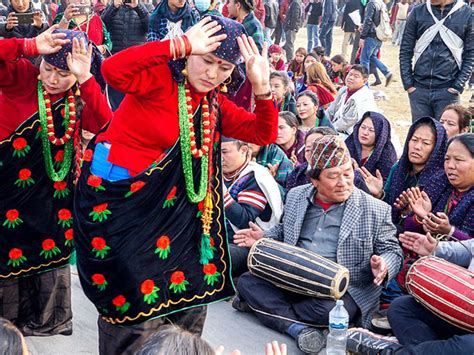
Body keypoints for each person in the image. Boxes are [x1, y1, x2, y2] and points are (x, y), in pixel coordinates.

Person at [73, 16, 278, 354]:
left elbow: (263, 134)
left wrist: (262, 87)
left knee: (186, 296)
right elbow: (112, 71)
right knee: (133, 301)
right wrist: (178, 44)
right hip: (128, 214)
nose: (212, 74)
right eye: (206, 60)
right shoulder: (157, 80)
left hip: (179, 224)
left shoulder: (214, 104)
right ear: (190, 54)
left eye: (224, 67)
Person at [233, 135, 403, 355]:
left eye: (347, 173)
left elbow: (392, 250)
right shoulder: (296, 196)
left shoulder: (375, 209)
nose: (343, 182)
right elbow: (285, 230)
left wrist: (384, 265)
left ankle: (269, 311)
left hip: (339, 290)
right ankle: (299, 329)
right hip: (291, 274)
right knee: (248, 282)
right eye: (333, 176)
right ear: (314, 180)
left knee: (329, 312)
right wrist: (265, 237)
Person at [0, 27, 111, 336]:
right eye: (48, 69)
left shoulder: (80, 98)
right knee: (7, 244)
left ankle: (46, 319)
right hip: (8, 186)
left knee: (48, 248)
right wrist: (28, 44)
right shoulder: (21, 76)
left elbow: (104, 124)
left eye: (63, 74)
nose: (51, 79)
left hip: (54, 192)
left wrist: (87, 80)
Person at [347, 230, 474, 354]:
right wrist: (435, 248)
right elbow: (466, 249)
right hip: (465, 316)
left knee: (468, 346)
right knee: (402, 307)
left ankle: (389, 352)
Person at [400, 0, 474, 121]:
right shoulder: (418, 12)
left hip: (448, 88)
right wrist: (408, 84)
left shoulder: (467, 14)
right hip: (419, 88)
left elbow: (471, 53)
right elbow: (405, 49)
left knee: (446, 136)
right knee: (421, 134)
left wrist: (458, 85)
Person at [223, 138, 283, 277]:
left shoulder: (255, 176)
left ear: (243, 150)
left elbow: (244, 220)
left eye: (225, 152)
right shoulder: (221, 173)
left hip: (246, 244)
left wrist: (221, 192)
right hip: (218, 237)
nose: (219, 157)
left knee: (214, 258)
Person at [101, 0, 149, 110]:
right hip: (116, 61)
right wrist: (114, 7)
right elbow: (102, 26)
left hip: (137, 63)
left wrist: (138, 7)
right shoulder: (111, 7)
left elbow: (149, 26)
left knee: (136, 101)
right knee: (116, 102)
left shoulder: (146, 7)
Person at [345, 112, 397, 184]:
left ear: (380, 134)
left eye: (371, 130)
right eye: (363, 127)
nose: (365, 132)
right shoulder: (349, 143)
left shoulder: (387, 155)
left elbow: (387, 185)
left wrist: (358, 174)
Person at [326, 64, 377, 137]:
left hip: (353, 134)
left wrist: (328, 130)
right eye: (350, 74)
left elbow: (346, 121)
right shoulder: (343, 90)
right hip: (337, 128)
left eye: (356, 76)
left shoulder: (363, 97)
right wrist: (323, 122)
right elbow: (331, 110)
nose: (351, 78)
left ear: (364, 81)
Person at [285, 126, 336, 191]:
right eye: (308, 149)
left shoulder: (345, 173)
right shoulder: (297, 173)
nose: (313, 153)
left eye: (318, 148)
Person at [359, 0, 393, 87]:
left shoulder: (372, 3)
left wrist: (362, 36)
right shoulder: (382, 4)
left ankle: (365, 85)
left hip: (371, 35)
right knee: (372, 57)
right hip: (379, 35)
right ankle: (387, 72)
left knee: (364, 59)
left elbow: (368, 20)